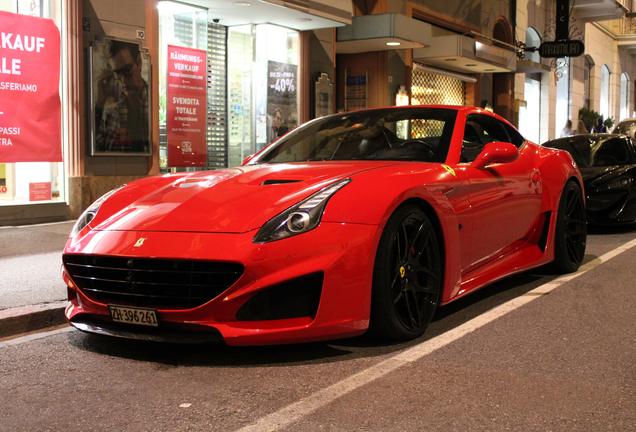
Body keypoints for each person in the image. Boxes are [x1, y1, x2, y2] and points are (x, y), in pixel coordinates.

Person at [95, 39, 149, 152]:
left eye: (127, 69)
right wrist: (99, 103)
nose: (123, 80)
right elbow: (94, 149)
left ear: (139, 62)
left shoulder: (153, 107)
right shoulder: (110, 113)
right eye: (118, 73)